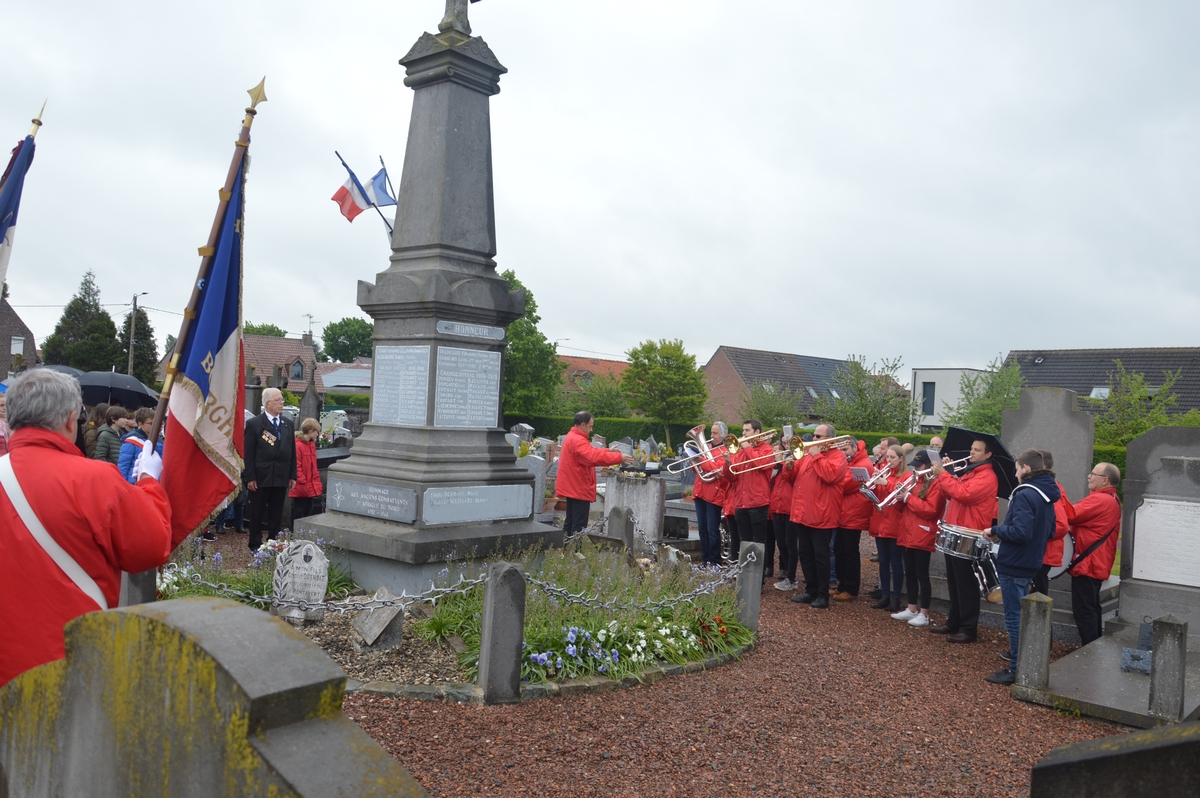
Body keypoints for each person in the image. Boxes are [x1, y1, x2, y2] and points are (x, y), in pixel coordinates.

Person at [0, 369, 171, 687]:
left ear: (11, 419)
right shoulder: (95, 479)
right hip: (64, 659)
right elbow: (149, 547)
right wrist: (149, 482)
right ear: (69, 419)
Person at [983, 450, 1060, 685]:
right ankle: (1025, 664)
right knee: (1022, 617)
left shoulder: (1025, 493)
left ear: (1026, 468)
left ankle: (1016, 669)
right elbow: (1051, 531)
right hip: (1031, 561)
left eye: (1017, 468)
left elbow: (1020, 532)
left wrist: (995, 531)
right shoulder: (1047, 492)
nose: (1015, 473)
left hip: (1015, 563)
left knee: (1015, 619)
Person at [928, 438, 998, 644]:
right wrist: (946, 475)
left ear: (988, 455)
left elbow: (963, 494)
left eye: (977, 450)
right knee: (954, 580)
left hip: (970, 533)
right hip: (956, 530)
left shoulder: (987, 476)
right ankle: (954, 621)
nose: (972, 452)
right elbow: (951, 494)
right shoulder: (970, 472)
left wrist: (944, 475)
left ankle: (968, 628)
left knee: (966, 583)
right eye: (971, 448)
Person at [788, 424, 847, 610]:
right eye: (813, 435)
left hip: (822, 515)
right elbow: (792, 479)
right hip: (803, 512)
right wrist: (789, 467)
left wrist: (816, 455)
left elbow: (829, 476)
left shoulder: (838, 457)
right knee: (804, 553)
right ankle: (811, 590)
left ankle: (823, 594)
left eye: (818, 436)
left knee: (820, 556)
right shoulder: (808, 455)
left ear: (830, 439)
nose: (813, 439)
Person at [1069, 463, 1122, 646]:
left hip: (1089, 564)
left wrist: (1055, 495)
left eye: (1093, 474)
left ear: (1105, 480)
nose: (1089, 476)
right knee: (1091, 608)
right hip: (1095, 562)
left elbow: (1071, 514)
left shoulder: (1100, 500)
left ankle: (1088, 651)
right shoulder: (1111, 498)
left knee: (1084, 611)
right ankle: (1092, 647)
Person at [555, 411, 632, 533]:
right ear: (582, 424)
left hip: (572, 486)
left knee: (570, 521)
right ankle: (575, 551)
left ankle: (566, 549)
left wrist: (608, 450)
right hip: (579, 488)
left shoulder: (572, 436)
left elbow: (590, 451)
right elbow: (592, 456)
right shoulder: (578, 440)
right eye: (590, 426)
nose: (591, 429)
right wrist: (619, 458)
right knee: (578, 525)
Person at [243, 388, 297, 551]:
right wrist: (250, 477)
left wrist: (292, 475)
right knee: (257, 512)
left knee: (276, 513)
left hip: (280, 475)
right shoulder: (255, 424)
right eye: (278, 400)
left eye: (281, 400)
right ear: (268, 403)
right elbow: (249, 453)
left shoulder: (287, 424)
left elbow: (291, 451)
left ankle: (273, 542)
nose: (282, 403)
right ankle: (255, 544)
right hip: (261, 476)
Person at [896, 450, 946, 626]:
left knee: (921, 574)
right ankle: (911, 608)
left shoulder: (936, 484)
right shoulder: (914, 482)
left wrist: (908, 497)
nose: (916, 469)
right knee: (909, 572)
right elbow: (902, 511)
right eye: (915, 466)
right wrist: (899, 498)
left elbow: (930, 510)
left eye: (919, 466)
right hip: (908, 532)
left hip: (923, 533)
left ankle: (924, 613)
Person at [721, 419, 774, 563]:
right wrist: (727, 463)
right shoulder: (741, 452)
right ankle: (745, 580)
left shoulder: (767, 449)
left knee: (758, 544)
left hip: (758, 503)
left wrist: (747, 447)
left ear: (757, 432)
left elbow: (761, 464)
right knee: (744, 544)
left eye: (747, 430)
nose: (743, 433)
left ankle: (758, 582)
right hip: (741, 504)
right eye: (743, 430)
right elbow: (732, 477)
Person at [832, 438, 872, 601]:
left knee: (850, 553)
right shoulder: (852, 461)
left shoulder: (863, 464)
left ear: (855, 447)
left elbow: (844, 485)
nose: (843, 453)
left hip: (853, 513)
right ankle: (842, 586)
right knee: (840, 551)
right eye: (840, 450)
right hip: (844, 513)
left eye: (846, 450)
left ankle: (851, 588)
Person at [1032, 450, 1074, 597]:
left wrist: (1032, 537)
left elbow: (1061, 526)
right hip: (1041, 553)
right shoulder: (1048, 489)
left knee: (1036, 598)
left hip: (1042, 554)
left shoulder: (1049, 490)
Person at [871, 445, 907, 612]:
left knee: (896, 562)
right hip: (881, 522)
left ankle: (896, 597)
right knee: (883, 562)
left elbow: (902, 492)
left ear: (901, 458)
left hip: (895, 523)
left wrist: (886, 482)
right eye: (888, 457)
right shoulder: (885, 473)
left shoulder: (906, 475)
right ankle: (885, 595)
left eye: (893, 457)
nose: (889, 461)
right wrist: (873, 484)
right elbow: (876, 496)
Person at [767, 438, 796, 581]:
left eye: (787, 442)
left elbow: (791, 477)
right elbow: (770, 480)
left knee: (790, 543)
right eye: (783, 443)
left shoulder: (795, 457)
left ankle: (791, 576)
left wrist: (782, 462)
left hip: (790, 506)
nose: (785, 445)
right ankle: (787, 573)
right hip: (777, 506)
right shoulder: (778, 464)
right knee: (781, 543)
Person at [290, 417, 324, 523]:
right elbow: (297, 466)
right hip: (302, 484)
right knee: (299, 510)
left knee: (308, 509)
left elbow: (314, 466)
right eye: (316, 432)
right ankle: (294, 533)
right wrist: (303, 480)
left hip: (310, 483)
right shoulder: (298, 445)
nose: (317, 434)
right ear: (310, 431)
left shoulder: (311, 445)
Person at [117, 407, 164, 484]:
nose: (156, 426)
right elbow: (123, 466)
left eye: (158, 423)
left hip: (154, 483)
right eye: (151, 423)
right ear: (140, 424)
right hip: (134, 484)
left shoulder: (159, 441)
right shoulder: (131, 441)